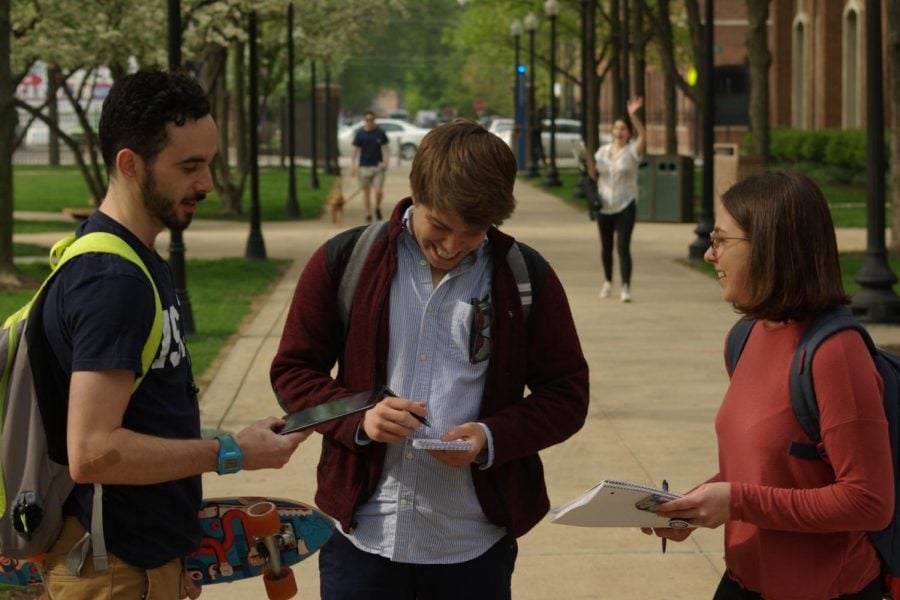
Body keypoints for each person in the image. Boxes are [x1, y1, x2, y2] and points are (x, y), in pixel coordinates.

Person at [271, 119, 589, 599]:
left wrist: (490, 436)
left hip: (474, 546)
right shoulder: (346, 260)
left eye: (474, 232)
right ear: (414, 192)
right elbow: (293, 371)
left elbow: (567, 395)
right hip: (363, 537)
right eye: (440, 226)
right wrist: (361, 416)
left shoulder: (524, 277)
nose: (453, 245)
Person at [38, 69, 310, 599]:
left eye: (209, 163)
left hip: (138, 560)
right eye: (189, 167)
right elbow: (92, 451)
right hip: (112, 566)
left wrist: (172, 554)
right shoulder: (112, 282)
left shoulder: (136, 260)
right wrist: (229, 452)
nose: (206, 183)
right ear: (130, 164)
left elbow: (150, 416)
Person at [645, 171, 892, 600]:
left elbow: (869, 501)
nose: (709, 254)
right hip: (742, 583)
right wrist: (695, 505)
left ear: (771, 248)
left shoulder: (836, 354)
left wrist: (737, 501)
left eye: (721, 240)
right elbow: (767, 469)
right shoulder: (745, 337)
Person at [585, 96, 646, 303]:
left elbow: (643, 135)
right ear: (612, 131)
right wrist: (586, 161)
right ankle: (608, 282)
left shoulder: (632, 152)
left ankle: (626, 287)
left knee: (623, 247)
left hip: (626, 204)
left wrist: (633, 116)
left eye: (623, 129)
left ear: (628, 133)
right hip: (604, 204)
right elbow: (595, 175)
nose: (619, 132)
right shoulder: (602, 152)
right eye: (616, 128)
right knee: (606, 247)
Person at [351, 110, 391, 223]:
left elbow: (387, 147)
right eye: (367, 120)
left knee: (378, 191)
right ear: (365, 121)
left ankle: (377, 207)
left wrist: (387, 160)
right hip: (364, 166)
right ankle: (368, 213)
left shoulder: (380, 133)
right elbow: (355, 150)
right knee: (366, 192)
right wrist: (353, 165)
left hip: (378, 166)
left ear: (374, 120)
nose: (369, 122)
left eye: (371, 120)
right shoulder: (360, 134)